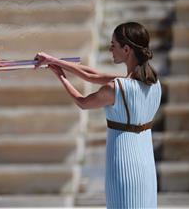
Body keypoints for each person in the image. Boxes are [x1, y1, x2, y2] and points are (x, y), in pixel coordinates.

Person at [35, 22, 161, 208]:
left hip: (124, 165)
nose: (110, 48)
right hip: (146, 164)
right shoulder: (153, 83)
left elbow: (83, 102)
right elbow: (92, 75)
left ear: (126, 49)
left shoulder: (115, 88)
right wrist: (54, 60)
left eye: (114, 45)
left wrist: (60, 76)